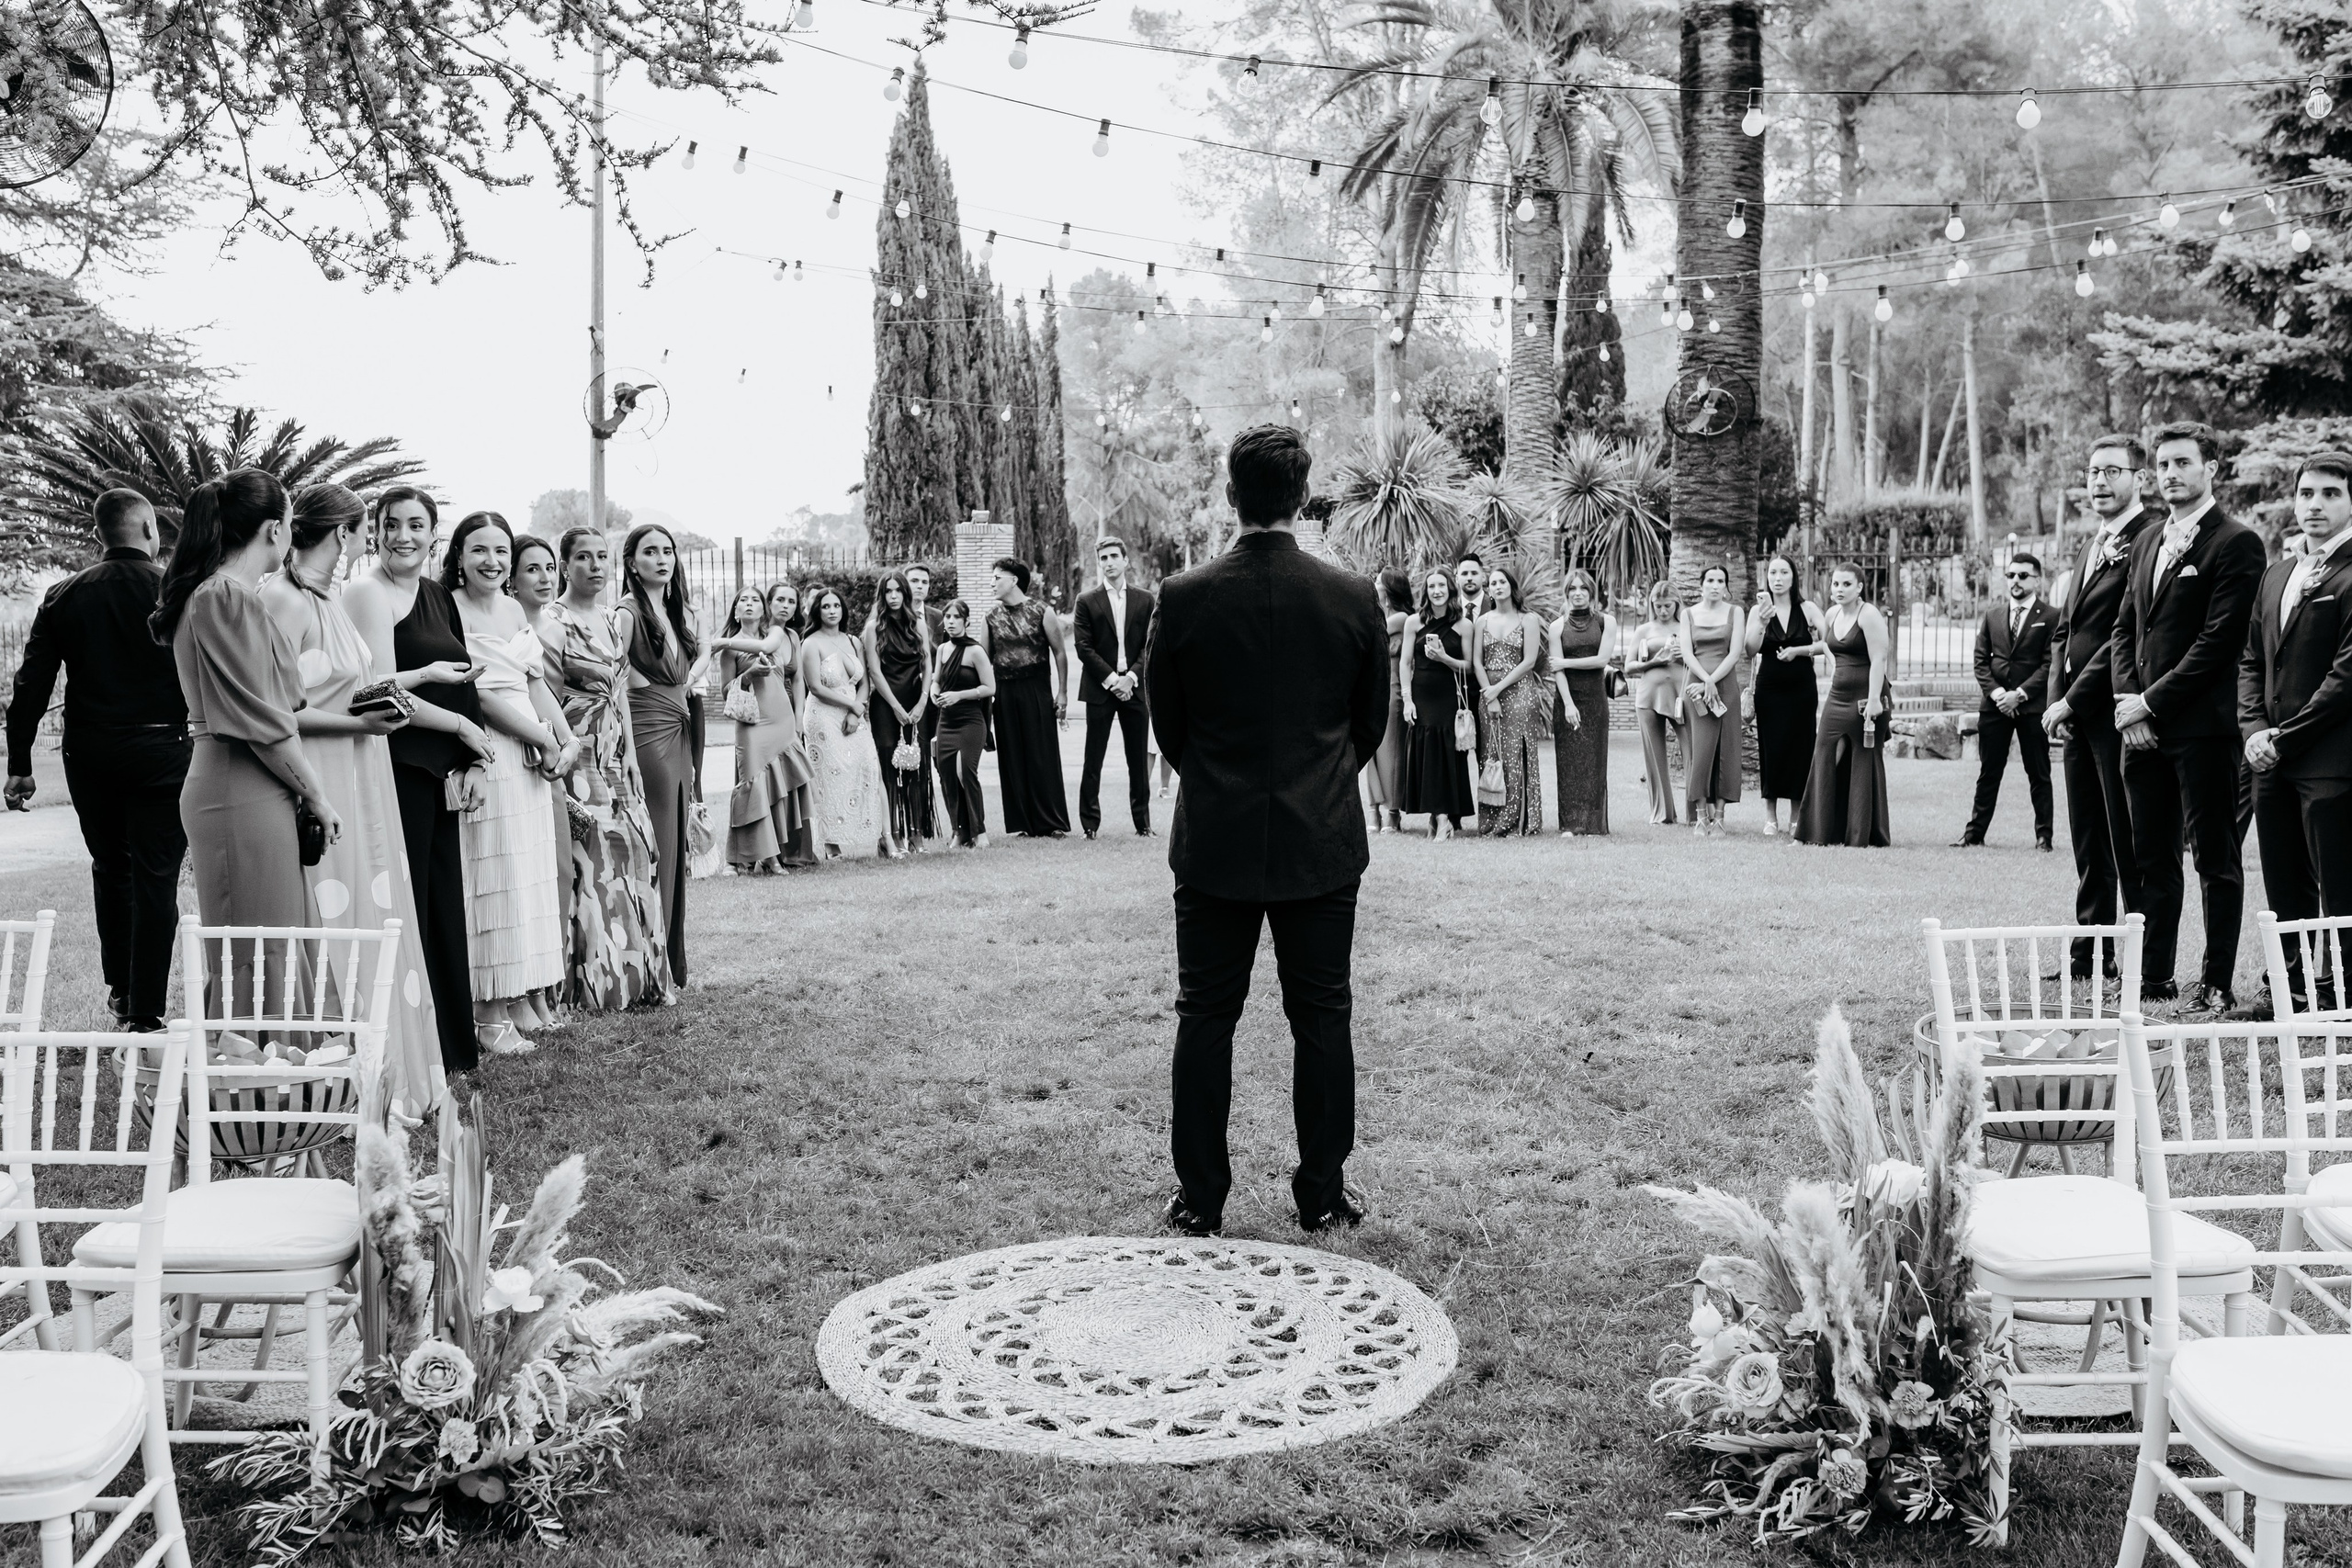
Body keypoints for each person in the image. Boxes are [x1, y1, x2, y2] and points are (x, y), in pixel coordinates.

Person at [1147, 424, 1388, 1237]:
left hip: (1214, 836)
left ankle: (1199, 1200)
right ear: (1300, 498)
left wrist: (1220, 786)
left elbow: (1169, 727)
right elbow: (1369, 725)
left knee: (1204, 1017)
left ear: (1230, 496)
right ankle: (1321, 1191)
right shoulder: (1354, 598)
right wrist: (1318, 783)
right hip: (1320, 838)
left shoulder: (1181, 597)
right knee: (1322, 1017)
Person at [261, 483, 449, 1108]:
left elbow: (355, 683)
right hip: (327, 771)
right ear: (343, 533)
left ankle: (388, 1064)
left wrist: (398, 692)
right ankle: (334, 1070)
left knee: (378, 911)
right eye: (366, 530)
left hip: (366, 771)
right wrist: (362, 724)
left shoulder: (332, 598)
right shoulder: (283, 601)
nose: (368, 542)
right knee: (337, 918)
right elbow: (279, 712)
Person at [150, 469, 340, 1018]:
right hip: (239, 789)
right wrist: (317, 795)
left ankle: (285, 1085)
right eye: (287, 521)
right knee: (259, 953)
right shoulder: (224, 597)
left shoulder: (226, 594)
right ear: (272, 530)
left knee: (275, 943)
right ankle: (258, 1087)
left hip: (249, 785)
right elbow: (263, 722)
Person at [3, 490, 189, 1032]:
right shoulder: (175, 591)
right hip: (162, 749)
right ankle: (145, 1010)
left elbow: (31, 683)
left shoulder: (65, 595)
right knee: (157, 875)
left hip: (92, 752)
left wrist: (20, 763)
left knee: (112, 868)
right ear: (151, 531)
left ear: (98, 537)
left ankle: (121, 987)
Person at [2110, 421, 2267, 1017]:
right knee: (2151, 855)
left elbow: (2218, 641)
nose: (2170, 473)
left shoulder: (2237, 543)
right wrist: (2131, 706)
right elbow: (2127, 628)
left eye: (2182, 462)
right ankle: (2154, 976)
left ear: (2212, 469)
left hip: (2202, 727)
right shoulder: (2148, 538)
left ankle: (2218, 980)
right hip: (2141, 728)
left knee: (2215, 856)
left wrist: (2153, 703)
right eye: (2163, 464)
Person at [342, 487, 493, 1075]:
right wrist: (457, 725)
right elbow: (378, 688)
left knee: (442, 906)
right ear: (374, 530)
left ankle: (451, 1046)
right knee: (409, 911)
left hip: (442, 769)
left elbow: (464, 679)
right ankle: (409, 1050)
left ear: (434, 533)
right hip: (397, 766)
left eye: (417, 525)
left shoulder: (436, 594)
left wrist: (474, 756)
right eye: (392, 524)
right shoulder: (366, 592)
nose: (404, 535)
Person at [448, 513, 577, 1054]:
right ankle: (486, 1010)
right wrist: (540, 739)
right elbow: (476, 694)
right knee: (491, 873)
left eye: (501, 551)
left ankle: (521, 994)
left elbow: (533, 680)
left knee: (526, 877)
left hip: (531, 749)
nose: (493, 562)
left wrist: (565, 739)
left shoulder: (509, 607)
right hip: (488, 747)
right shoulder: (447, 607)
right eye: (479, 550)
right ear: (458, 555)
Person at [2239, 452, 2352, 1016]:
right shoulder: (2276, 574)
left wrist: (2283, 737)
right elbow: (2251, 661)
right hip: (2270, 760)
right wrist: (2255, 730)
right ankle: (2295, 991)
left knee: (2341, 888)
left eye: (2331, 493)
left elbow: (2346, 676)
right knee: (2284, 884)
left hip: (2331, 760)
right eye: (2308, 493)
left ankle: (2346, 996)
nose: (2315, 505)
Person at [2044, 435, 2156, 978]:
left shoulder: (2150, 539)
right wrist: (2054, 703)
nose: (2099, 482)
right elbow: (2065, 630)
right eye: (2091, 472)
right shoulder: (2092, 545)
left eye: (2112, 471)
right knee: (2088, 838)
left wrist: (2071, 699)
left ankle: (2138, 955)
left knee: (2124, 837)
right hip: (2074, 718)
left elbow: (2121, 637)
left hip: (2113, 709)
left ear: (2140, 478)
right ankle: (2089, 955)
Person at [548, 528, 672, 1009]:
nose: (595, 566)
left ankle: (638, 975)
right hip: (576, 753)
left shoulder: (610, 619)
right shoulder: (552, 621)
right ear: (565, 564)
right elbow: (547, 698)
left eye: (602, 556)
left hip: (618, 754)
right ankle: (592, 985)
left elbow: (620, 693)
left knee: (637, 856)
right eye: (583, 557)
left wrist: (634, 758)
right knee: (594, 862)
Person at [616, 524, 697, 987]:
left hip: (680, 727)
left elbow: (692, 664)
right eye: (651, 552)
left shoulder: (673, 610)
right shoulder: (627, 613)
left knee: (674, 844)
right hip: (649, 731)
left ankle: (669, 958)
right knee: (659, 844)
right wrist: (644, 688)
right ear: (632, 562)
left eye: (668, 551)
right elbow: (613, 673)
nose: (662, 559)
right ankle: (651, 965)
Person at [1954, 552, 2058, 851]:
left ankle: (2043, 837)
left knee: (2038, 773)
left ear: (2037, 579)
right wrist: (1999, 695)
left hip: (2031, 706)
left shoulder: (2051, 616)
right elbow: (1980, 661)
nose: (2015, 581)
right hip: (1995, 707)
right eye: (2011, 575)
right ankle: (1974, 834)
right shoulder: (1992, 615)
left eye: (2023, 576)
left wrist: (2020, 694)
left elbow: (2049, 663)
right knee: (1989, 772)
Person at [710, 581, 815, 874]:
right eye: (743, 600)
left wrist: (797, 720)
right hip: (752, 723)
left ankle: (781, 852)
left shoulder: (776, 634)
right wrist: (748, 675)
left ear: (763, 608)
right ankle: (759, 855)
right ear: (735, 609)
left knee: (781, 784)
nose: (749, 604)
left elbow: (777, 660)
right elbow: (725, 691)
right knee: (752, 784)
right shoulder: (729, 652)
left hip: (780, 720)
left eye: (755, 600)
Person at [1794, 564, 1894, 848]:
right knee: (1823, 753)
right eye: (1835, 584)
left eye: (1846, 584)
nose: (1839, 589)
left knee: (1864, 760)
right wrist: (1836, 666)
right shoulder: (1832, 613)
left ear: (1860, 587)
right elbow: (1828, 646)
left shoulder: (1870, 615)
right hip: (1837, 696)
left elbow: (1879, 659)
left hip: (1867, 697)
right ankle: (1813, 833)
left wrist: (1875, 700)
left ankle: (1861, 835)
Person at [799, 583, 896, 859]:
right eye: (826, 606)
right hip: (823, 718)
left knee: (870, 770)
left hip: (855, 715)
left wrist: (856, 711)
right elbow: (815, 687)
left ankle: (885, 838)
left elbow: (864, 682)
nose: (832, 611)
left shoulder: (854, 641)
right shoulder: (811, 643)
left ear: (843, 610)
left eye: (836, 606)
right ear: (817, 611)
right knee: (828, 777)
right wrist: (850, 704)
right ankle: (832, 845)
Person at [1073, 536, 1158, 840]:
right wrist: (1112, 680)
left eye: (1113, 557)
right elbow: (1083, 647)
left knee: (1138, 760)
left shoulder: (1146, 599)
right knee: (1092, 757)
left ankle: (1143, 824)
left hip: (1134, 688)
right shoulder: (1086, 600)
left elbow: (1152, 644)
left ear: (1125, 560)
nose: (1108, 563)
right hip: (1100, 688)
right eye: (1103, 558)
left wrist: (1131, 678)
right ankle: (1089, 825)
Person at [987, 558, 1073, 837]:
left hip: (1037, 690)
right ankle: (1022, 823)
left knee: (1042, 754)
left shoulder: (1042, 611)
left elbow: (1060, 652)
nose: (992, 582)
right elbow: (984, 661)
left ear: (1013, 580)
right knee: (1012, 755)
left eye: (997, 577)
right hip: (1004, 692)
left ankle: (1052, 822)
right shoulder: (990, 618)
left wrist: (1062, 694)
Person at [1743, 556, 1822, 837]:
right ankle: (1770, 817)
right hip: (1770, 689)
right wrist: (1762, 623)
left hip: (1802, 689)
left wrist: (1799, 651)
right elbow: (1750, 650)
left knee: (1801, 750)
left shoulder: (1808, 608)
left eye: (1784, 572)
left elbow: (1830, 642)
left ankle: (1797, 816)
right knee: (1771, 749)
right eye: (1773, 572)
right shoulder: (1758, 611)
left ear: (1793, 577)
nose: (1777, 578)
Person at [1399, 567, 1476, 838]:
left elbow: (1469, 667)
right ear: (1426, 592)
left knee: (1447, 756)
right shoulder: (1413, 622)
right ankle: (1436, 814)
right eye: (1432, 587)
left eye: (1441, 586)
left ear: (1450, 589)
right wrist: (1407, 700)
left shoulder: (1464, 625)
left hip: (1450, 698)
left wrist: (1444, 657)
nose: (1437, 591)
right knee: (1428, 757)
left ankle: (1444, 818)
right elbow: (1405, 663)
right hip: (1422, 696)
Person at [1471, 564, 1547, 837]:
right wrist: (1488, 693)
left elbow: (1529, 662)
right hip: (1487, 692)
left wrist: (1498, 688)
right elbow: (1476, 663)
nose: (1498, 586)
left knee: (1517, 754)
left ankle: (1518, 819)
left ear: (1511, 586)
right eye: (1493, 583)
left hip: (1519, 693)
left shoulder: (1528, 619)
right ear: (1488, 589)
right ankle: (1491, 820)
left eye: (1502, 581)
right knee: (1491, 755)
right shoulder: (1481, 621)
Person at [865, 570, 936, 849]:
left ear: (905, 594)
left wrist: (922, 701)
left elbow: (927, 665)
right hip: (886, 705)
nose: (893, 596)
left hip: (917, 703)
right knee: (888, 769)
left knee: (916, 767)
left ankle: (916, 834)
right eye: (888, 591)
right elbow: (874, 671)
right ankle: (891, 835)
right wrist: (894, 706)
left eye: (898, 591)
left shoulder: (918, 623)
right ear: (882, 596)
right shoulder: (874, 628)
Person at [1677, 565, 1747, 835]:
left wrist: (1713, 680)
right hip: (1696, 686)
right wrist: (1705, 681)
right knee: (1701, 750)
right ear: (1701, 584)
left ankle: (1719, 816)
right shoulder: (1688, 614)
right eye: (1710, 580)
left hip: (1725, 685)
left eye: (1720, 581)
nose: (1715, 585)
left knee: (1726, 750)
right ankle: (1701, 814)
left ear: (1726, 586)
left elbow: (1735, 652)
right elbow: (1686, 652)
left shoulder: (1735, 612)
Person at [1545, 569, 1612, 836]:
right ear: (1566, 593)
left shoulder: (1606, 621)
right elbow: (1556, 670)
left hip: (1595, 697)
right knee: (1569, 761)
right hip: (1567, 698)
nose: (1578, 594)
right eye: (1572, 589)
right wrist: (1569, 704)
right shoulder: (1557, 626)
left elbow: (1601, 660)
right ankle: (1571, 824)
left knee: (1595, 760)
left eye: (1583, 589)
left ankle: (1594, 823)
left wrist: (1565, 661)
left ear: (1591, 593)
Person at [930, 598, 997, 848]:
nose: (951, 622)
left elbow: (990, 687)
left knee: (965, 772)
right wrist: (933, 692)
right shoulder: (943, 649)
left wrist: (959, 695)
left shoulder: (976, 651)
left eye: (957, 617)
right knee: (947, 776)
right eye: (948, 617)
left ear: (966, 621)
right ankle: (959, 832)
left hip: (970, 720)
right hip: (946, 720)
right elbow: (936, 680)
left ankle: (979, 832)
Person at [1355, 569, 1412, 834]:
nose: (1374, 584)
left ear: (1390, 589)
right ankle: (1373, 809)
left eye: (1378, 581)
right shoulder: (1377, 615)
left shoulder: (1400, 618)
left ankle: (1392, 810)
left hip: (1394, 688)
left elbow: (1366, 635)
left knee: (1391, 749)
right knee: (1370, 750)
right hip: (1372, 686)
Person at [1627, 582, 1688, 826]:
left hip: (1682, 696)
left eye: (1668, 606)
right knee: (1654, 755)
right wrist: (1653, 662)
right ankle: (1663, 814)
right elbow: (1629, 666)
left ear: (1677, 604)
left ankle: (1697, 814)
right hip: (1649, 696)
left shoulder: (1687, 626)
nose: (1663, 611)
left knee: (1692, 751)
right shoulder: (1644, 630)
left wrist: (1685, 656)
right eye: (1658, 606)